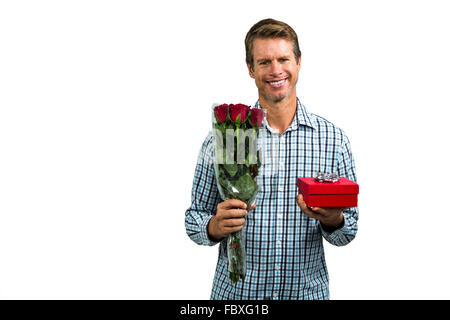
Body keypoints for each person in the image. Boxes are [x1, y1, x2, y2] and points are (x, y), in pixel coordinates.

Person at [185, 18, 358, 300]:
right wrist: (214, 227)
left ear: (299, 62)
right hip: (238, 298)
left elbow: (348, 231)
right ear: (250, 69)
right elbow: (194, 219)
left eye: (283, 59)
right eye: (264, 62)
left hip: (306, 295)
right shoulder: (226, 137)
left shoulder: (333, 140)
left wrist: (333, 219)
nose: (276, 70)